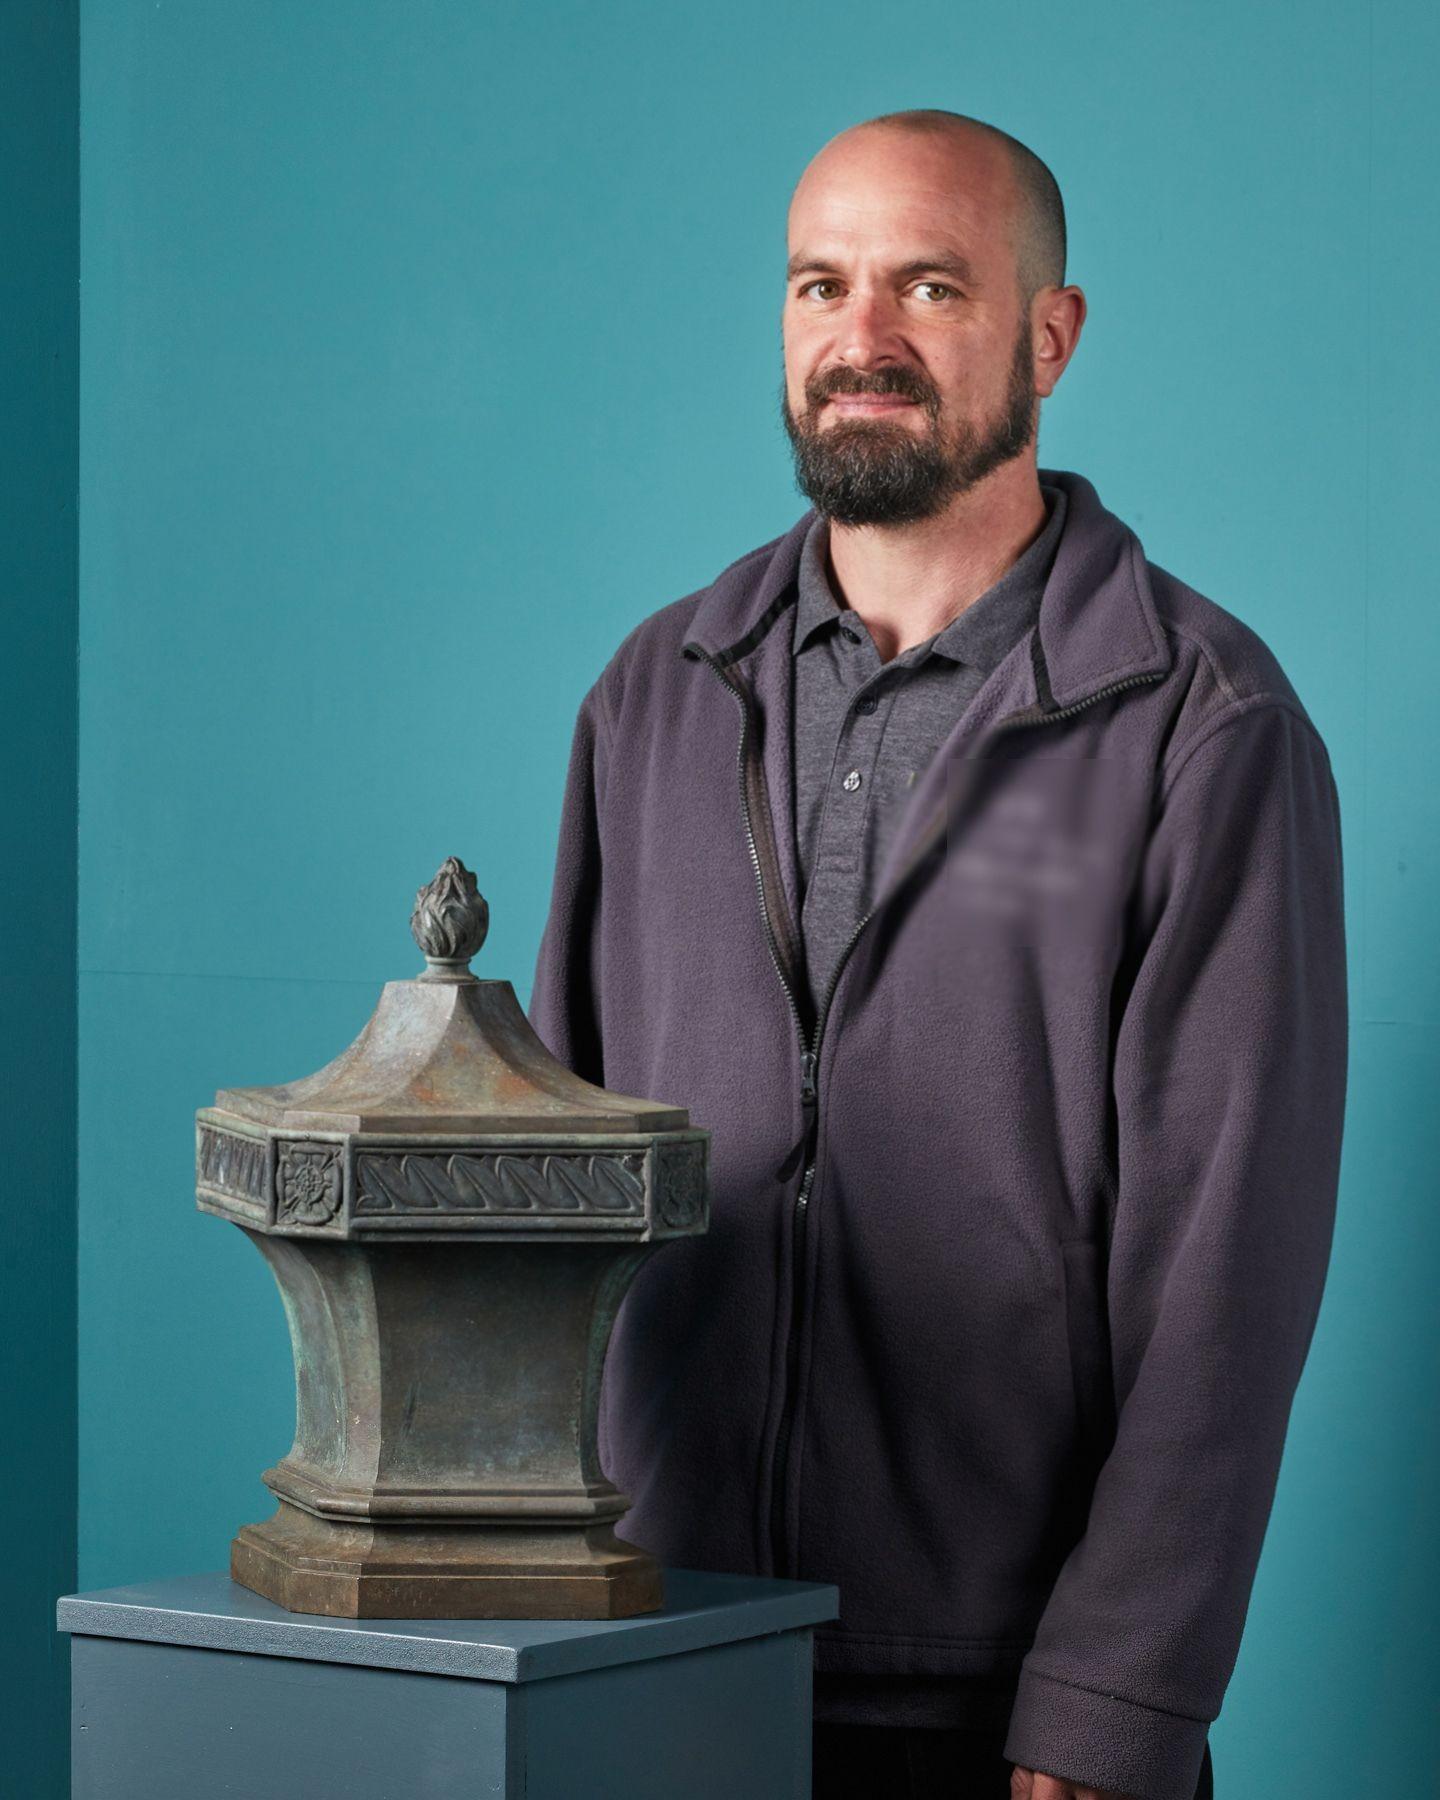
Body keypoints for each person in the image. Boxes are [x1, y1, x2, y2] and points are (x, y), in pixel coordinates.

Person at [529, 109, 1347, 1800]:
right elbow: (558, 1182)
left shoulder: (1204, 728)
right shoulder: (654, 697)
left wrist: (1117, 1698)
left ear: (1050, 334)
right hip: (656, 1652)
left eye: (931, 289)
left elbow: (1228, 1270)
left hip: (1001, 1708)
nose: (863, 339)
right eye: (821, 285)